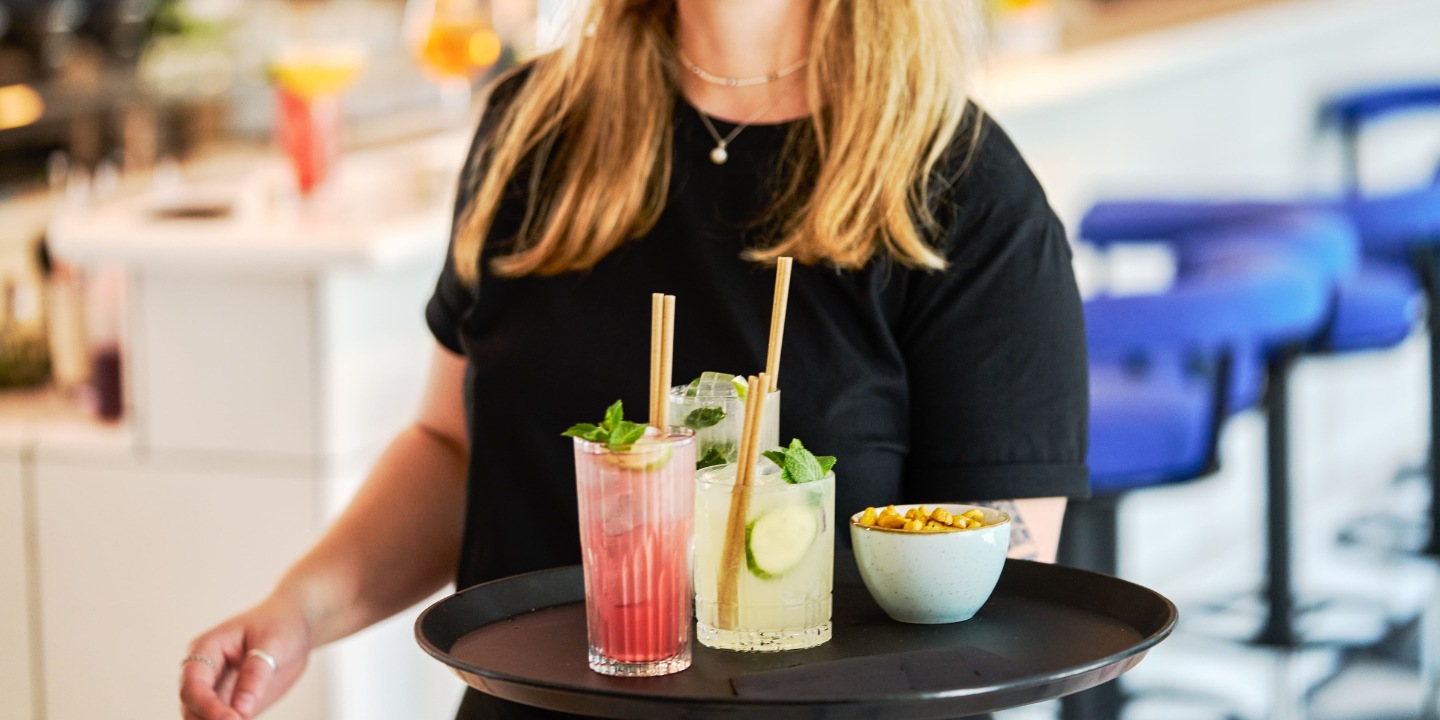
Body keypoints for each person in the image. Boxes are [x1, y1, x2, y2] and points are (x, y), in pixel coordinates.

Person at [179, 0, 1088, 718]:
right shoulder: (533, 128)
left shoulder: (961, 186)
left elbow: (994, 575)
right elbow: (452, 450)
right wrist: (297, 613)